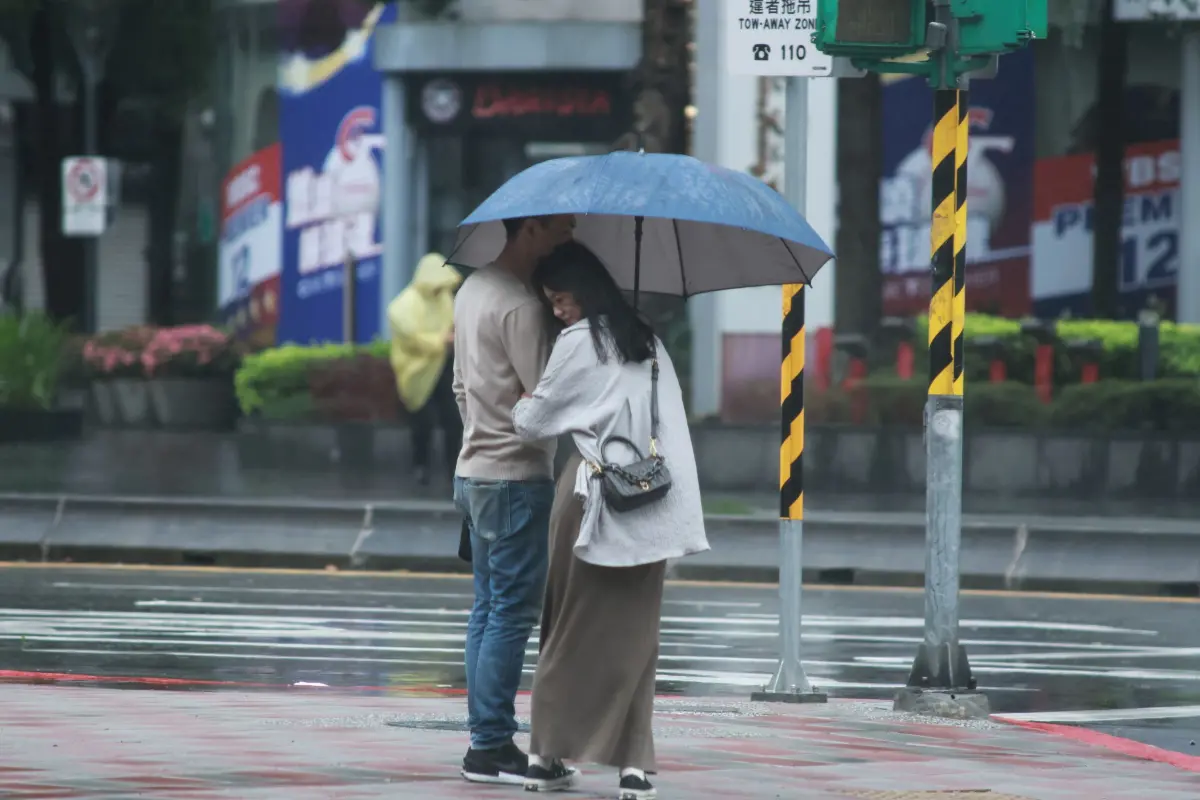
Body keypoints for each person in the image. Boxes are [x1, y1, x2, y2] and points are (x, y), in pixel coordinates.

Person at [512, 241, 710, 800]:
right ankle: (633, 769)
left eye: (559, 298)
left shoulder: (578, 342)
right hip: (649, 502)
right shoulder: (645, 340)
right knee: (636, 640)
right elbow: (670, 426)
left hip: (590, 496)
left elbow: (533, 423)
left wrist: (525, 398)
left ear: (582, 290)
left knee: (566, 629)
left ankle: (543, 755)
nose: (556, 310)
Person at [452, 214, 577, 785]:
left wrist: (484, 426)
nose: (568, 239)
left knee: (487, 608)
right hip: (517, 476)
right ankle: (491, 744)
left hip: (474, 469)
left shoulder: (474, 287)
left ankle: (485, 739)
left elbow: (461, 385)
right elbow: (544, 401)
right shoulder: (523, 306)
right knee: (511, 613)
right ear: (531, 229)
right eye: (560, 229)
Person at [387, 252, 463, 486]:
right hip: (416, 372)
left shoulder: (444, 298)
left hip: (442, 368)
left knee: (454, 419)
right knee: (423, 422)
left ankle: (454, 468)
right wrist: (443, 341)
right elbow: (414, 338)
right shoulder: (403, 306)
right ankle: (421, 466)